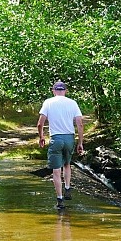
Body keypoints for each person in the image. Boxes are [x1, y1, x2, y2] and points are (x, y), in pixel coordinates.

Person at [37, 81, 84, 209]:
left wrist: (41, 137)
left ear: (53, 91)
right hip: (69, 138)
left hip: (56, 138)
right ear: (65, 91)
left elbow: (40, 124)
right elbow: (80, 124)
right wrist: (80, 143)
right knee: (67, 164)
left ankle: (60, 200)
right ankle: (68, 188)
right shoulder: (72, 103)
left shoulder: (48, 102)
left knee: (56, 170)